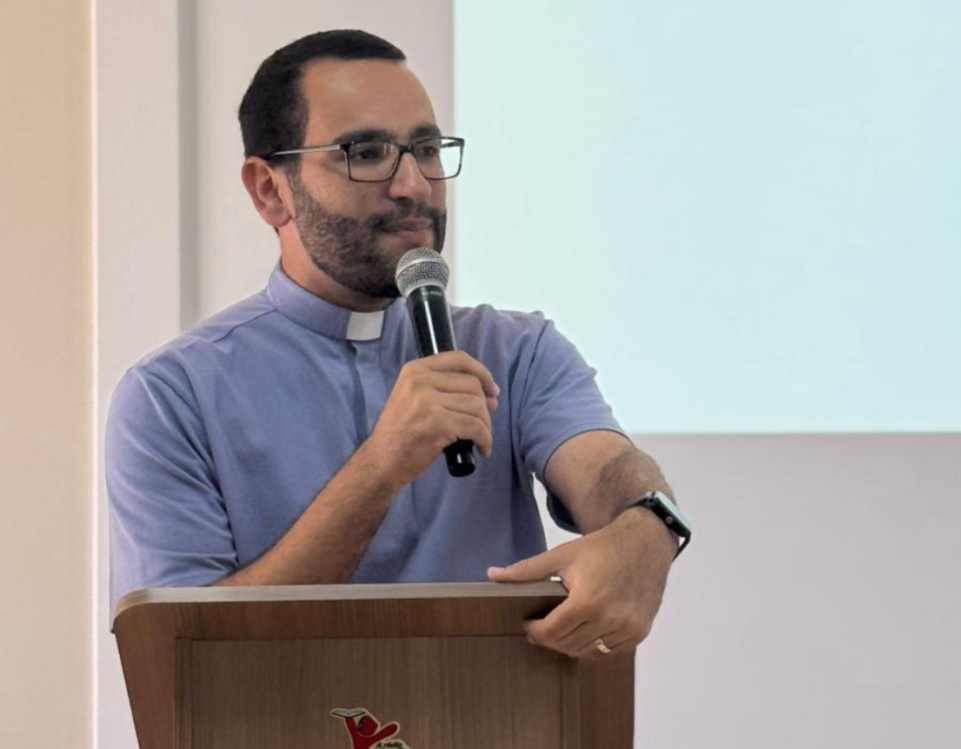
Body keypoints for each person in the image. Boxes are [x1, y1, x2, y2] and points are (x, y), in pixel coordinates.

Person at [107, 30, 690, 660]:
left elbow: (605, 470)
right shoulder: (171, 397)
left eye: (427, 150)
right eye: (366, 152)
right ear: (270, 191)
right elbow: (184, 655)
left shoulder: (517, 351)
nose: (414, 184)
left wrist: (648, 527)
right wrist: (381, 466)